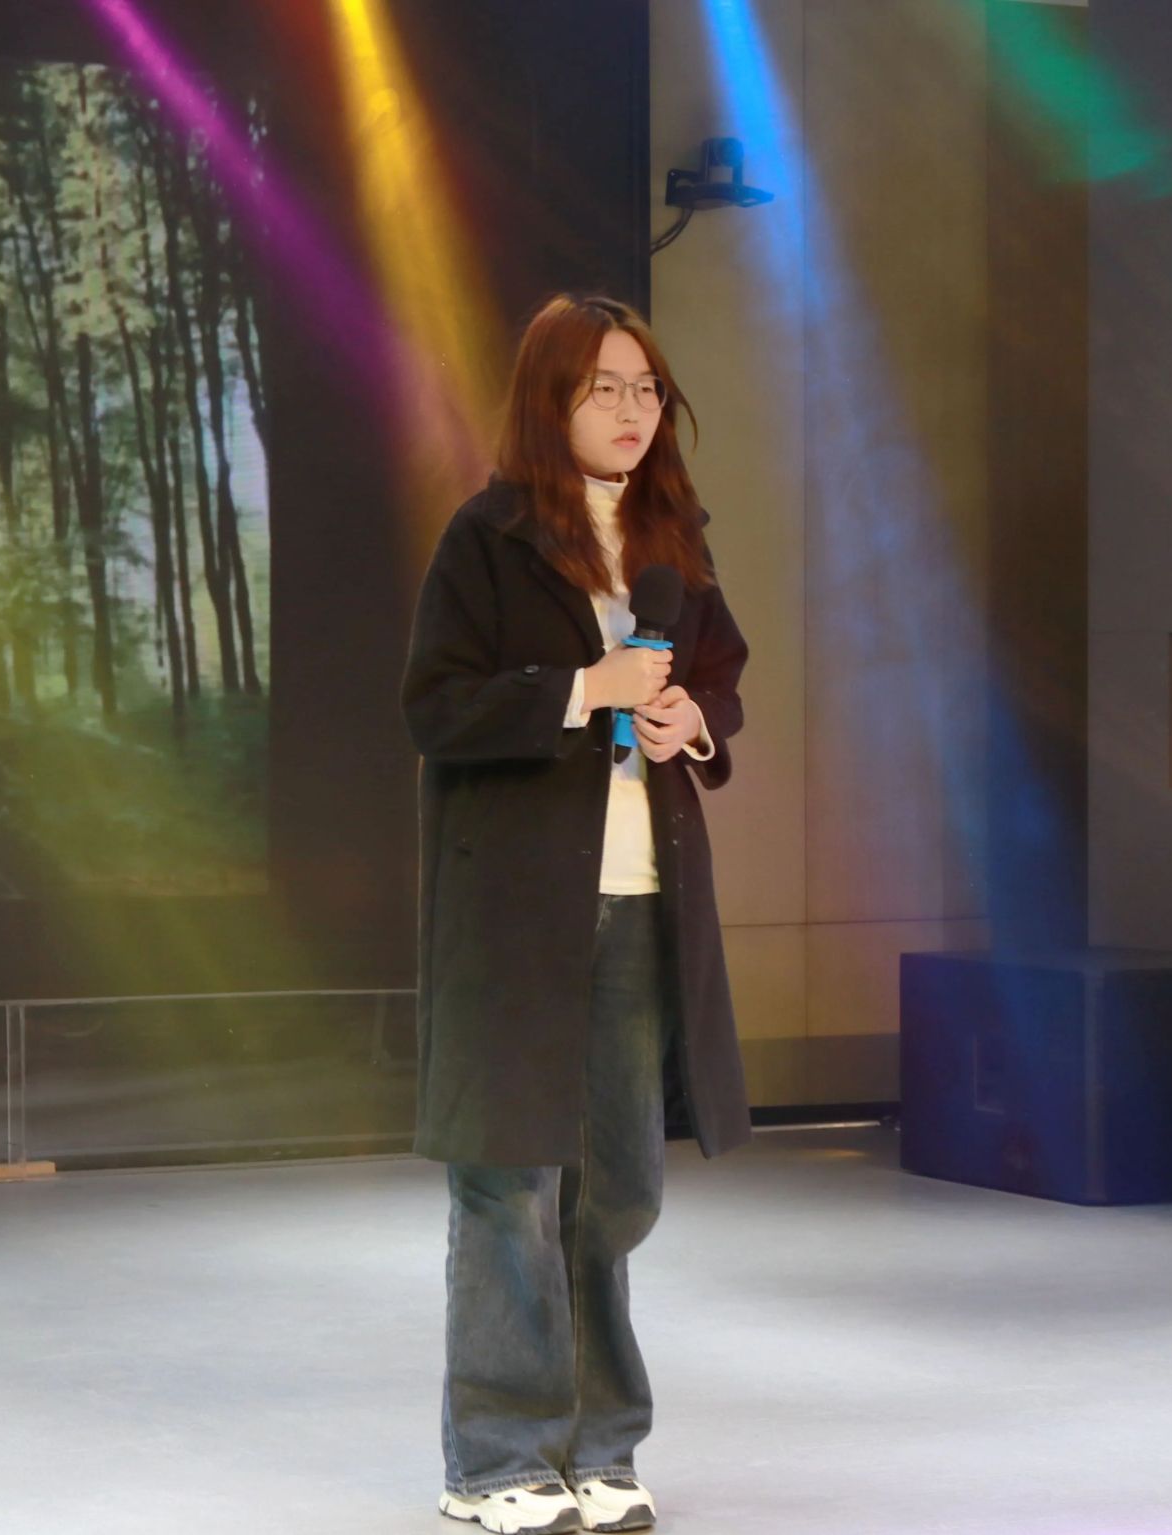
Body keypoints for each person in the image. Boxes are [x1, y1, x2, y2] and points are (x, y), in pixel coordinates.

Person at [401, 294, 753, 1535]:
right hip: (513, 912)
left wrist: (687, 718)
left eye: (645, 388)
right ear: (549, 400)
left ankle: (600, 1444)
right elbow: (436, 707)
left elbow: (721, 677)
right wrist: (579, 688)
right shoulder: (487, 537)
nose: (630, 409)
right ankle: (497, 1459)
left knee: (616, 1189)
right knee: (510, 1182)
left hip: (640, 903)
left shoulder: (672, 539)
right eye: (603, 386)